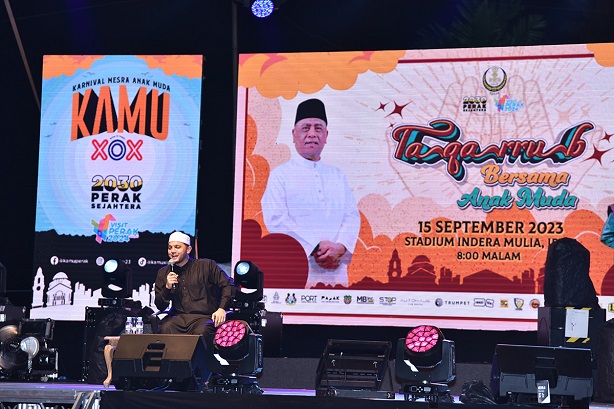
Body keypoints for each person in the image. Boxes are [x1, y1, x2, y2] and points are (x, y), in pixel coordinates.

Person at [261, 98, 360, 288]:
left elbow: (351, 216)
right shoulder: (280, 175)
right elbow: (276, 220)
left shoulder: (338, 175)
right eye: (306, 128)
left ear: (326, 135)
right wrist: (315, 245)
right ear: (294, 134)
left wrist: (340, 247)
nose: (312, 134)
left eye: (318, 128)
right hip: (298, 268)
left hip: (336, 271)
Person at [154, 231, 235, 339]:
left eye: (177, 247)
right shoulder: (164, 272)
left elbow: (228, 285)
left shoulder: (206, 265)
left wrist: (222, 309)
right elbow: (160, 305)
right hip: (178, 318)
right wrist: (167, 288)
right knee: (166, 327)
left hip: (204, 318)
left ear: (188, 249)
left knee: (201, 331)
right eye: (170, 248)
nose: (173, 251)